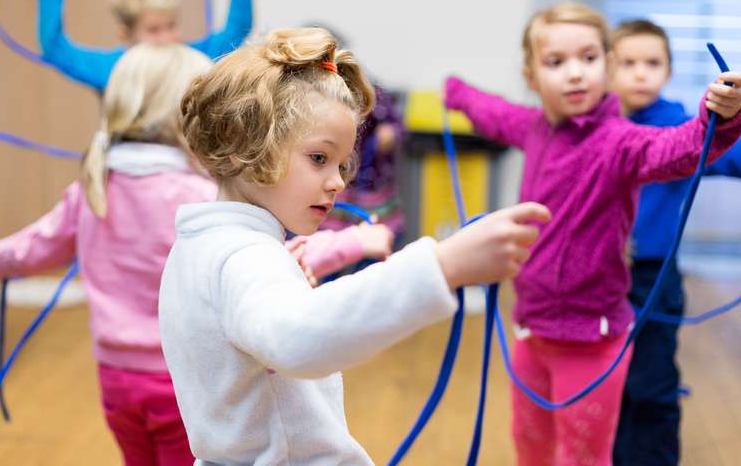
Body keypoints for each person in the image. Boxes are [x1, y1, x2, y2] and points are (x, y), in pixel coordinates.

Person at [159, 27, 552, 464]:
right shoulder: (245, 260)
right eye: (319, 158)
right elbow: (294, 338)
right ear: (241, 147)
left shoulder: (199, 248)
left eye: (342, 164)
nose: (337, 182)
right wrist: (444, 265)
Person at [444, 2, 741, 465]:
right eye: (555, 62)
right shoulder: (535, 128)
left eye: (588, 58)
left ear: (607, 66)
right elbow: (494, 112)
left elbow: (681, 146)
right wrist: (457, 92)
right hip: (532, 329)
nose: (575, 74)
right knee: (530, 446)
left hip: (593, 340)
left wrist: (721, 117)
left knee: (584, 455)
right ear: (531, 76)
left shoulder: (619, 141)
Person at [0, 43, 214, 464]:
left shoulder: (94, 187)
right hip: (180, 378)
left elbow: (37, 245)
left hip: (115, 379)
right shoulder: (199, 196)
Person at [610, 19, 741, 466]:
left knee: (650, 386)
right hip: (598, 280)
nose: (640, 73)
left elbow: (739, 155)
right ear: (606, 67)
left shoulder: (681, 128)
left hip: (652, 279)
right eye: (627, 62)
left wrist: (728, 115)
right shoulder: (592, 127)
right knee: (604, 383)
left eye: (652, 63)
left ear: (668, 71)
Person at [36, 0, 253, 92]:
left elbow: (238, 26)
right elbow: (56, 49)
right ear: (125, 36)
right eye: (153, 30)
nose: (167, 38)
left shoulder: (194, 59)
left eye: (171, 25)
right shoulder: (114, 70)